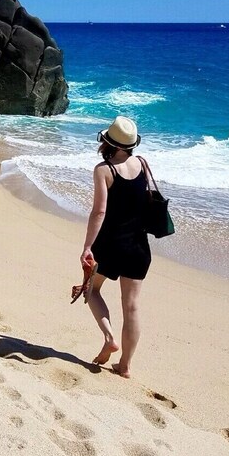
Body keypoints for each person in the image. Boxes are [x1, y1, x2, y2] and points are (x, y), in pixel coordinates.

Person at [80, 116, 152, 378]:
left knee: (91, 289)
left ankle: (110, 336)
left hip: (110, 245)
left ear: (107, 141)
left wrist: (88, 246)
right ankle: (125, 366)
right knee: (131, 306)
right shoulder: (143, 164)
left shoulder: (104, 170)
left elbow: (99, 212)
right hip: (139, 247)